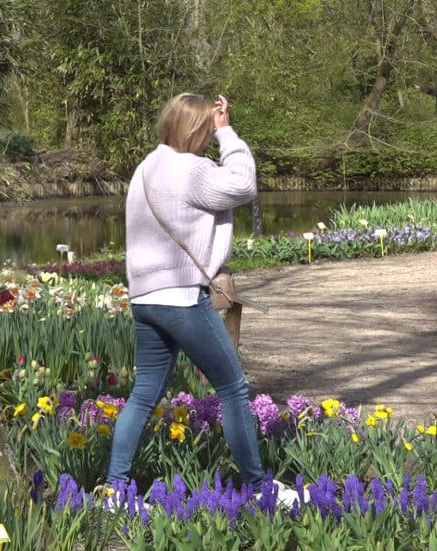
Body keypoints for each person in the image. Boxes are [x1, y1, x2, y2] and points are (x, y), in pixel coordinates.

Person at [104, 92, 303, 507]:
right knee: (232, 388)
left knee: (143, 395)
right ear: (199, 130)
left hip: (143, 297)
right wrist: (228, 131)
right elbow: (245, 185)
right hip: (181, 298)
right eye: (207, 132)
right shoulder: (192, 171)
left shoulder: (145, 167)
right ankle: (257, 488)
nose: (210, 140)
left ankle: (113, 489)